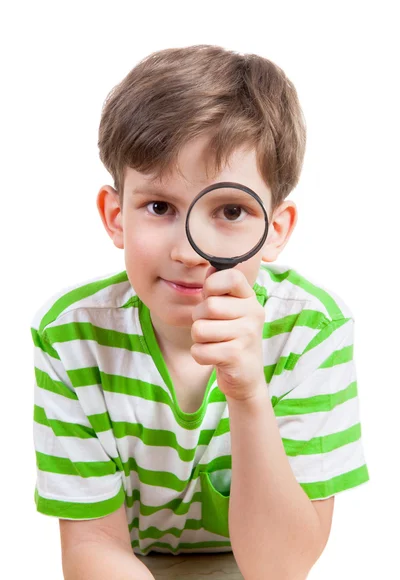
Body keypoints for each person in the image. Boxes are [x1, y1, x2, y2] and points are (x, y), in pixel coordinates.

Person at [30, 44, 370, 579]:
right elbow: (93, 544)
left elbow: (281, 568)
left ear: (275, 231)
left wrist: (249, 393)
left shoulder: (312, 331)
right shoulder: (72, 337)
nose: (190, 251)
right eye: (159, 207)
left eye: (231, 210)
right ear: (116, 216)